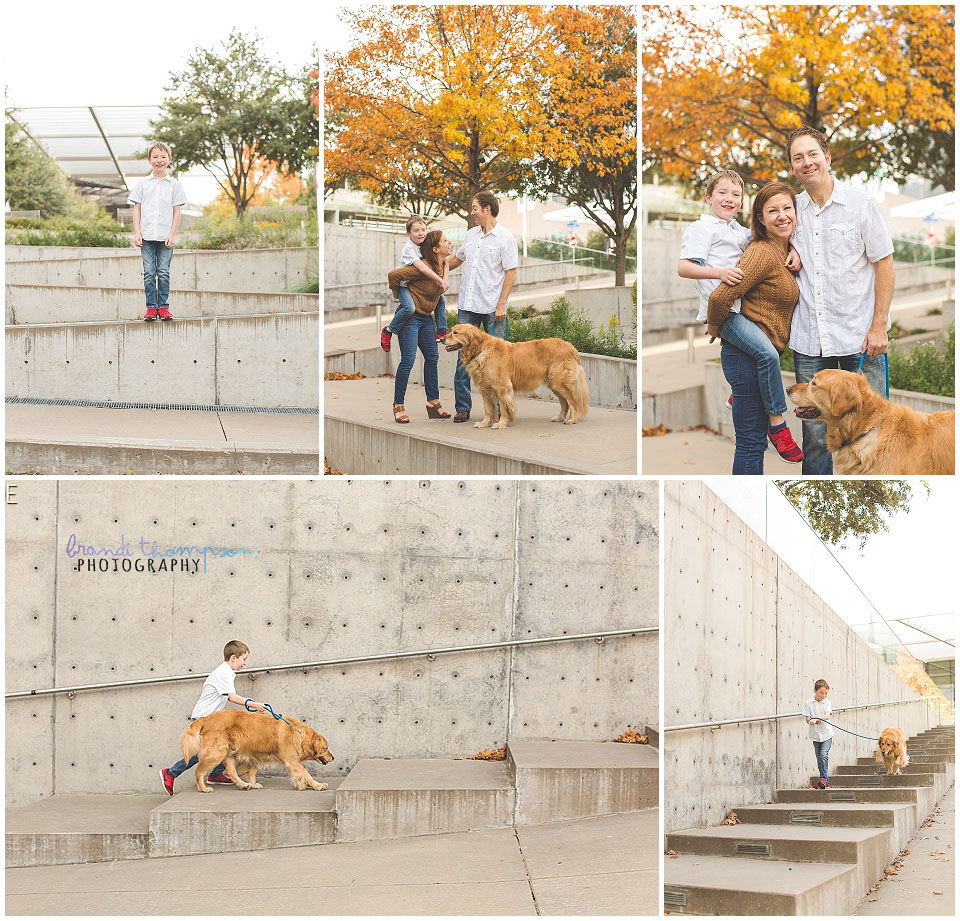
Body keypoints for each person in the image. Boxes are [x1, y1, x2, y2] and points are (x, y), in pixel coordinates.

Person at [786, 125, 895, 475]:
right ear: (792, 166)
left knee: (875, 433)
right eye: (797, 157)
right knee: (817, 439)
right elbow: (763, 246)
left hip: (861, 341)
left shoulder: (861, 204)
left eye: (812, 154)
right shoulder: (791, 212)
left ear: (827, 157)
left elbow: (884, 263)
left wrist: (879, 325)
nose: (806, 162)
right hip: (810, 345)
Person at [679, 169, 801, 414]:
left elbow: (770, 235)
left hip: (738, 309)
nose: (729, 198)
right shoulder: (701, 228)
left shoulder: (737, 230)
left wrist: (794, 249)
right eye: (722, 193)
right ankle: (778, 421)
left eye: (736, 194)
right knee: (768, 355)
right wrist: (719, 273)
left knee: (762, 353)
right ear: (707, 198)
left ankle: (738, 395)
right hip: (723, 310)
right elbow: (683, 267)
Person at [706, 181, 806, 472]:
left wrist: (795, 249)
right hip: (745, 358)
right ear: (760, 218)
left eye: (788, 208)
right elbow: (721, 296)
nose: (782, 215)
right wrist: (714, 326)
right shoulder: (762, 252)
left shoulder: (782, 251)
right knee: (751, 443)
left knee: (752, 443)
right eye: (772, 210)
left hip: (758, 360)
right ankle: (778, 426)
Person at [445, 192, 519, 423]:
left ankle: (498, 411)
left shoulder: (505, 238)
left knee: (497, 363)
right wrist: (432, 266)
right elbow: (456, 260)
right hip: (468, 305)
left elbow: (511, 272)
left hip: (491, 308)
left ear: (487, 209)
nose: (472, 212)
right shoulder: (470, 235)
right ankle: (463, 408)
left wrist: (501, 304)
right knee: (463, 361)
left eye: (475, 208)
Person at [159, 640, 266, 795]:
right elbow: (232, 697)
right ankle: (170, 773)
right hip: (203, 718)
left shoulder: (227, 672)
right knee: (202, 753)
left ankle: (216, 774)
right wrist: (253, 704)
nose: (245, 663)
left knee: (226, 745)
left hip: (212, 720)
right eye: (244, 659)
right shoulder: (223, 673)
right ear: (234, 658)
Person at [387, 230, 453, 423]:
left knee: (432, 358)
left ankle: (433, 403)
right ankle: (398, 405)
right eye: (445, 240)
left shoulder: (442, 265)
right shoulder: (421, 267)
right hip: (410, 319)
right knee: (408, 360)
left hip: (425, 319)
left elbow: (457, 260)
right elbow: (393, 275)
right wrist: (397, 295)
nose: (449, 242)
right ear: (435, 248)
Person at [128, 141, 186, 322]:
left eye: (163, 157)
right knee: (148, 273)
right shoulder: (142, 184)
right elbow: (136, 208)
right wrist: (137, 232)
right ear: (149, 160)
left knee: (163, 272)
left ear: (169, 159)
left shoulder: (174, 185)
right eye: (155, 157)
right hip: (146, 238)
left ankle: (163, 307)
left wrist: (172, 234)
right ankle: (151, 308)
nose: (159, 160)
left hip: (165, 238)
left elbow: (177, 211)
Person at [380, 216, 448, 352]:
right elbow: (422, 268)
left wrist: (444, 278)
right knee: (409, 308)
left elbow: (443, 262)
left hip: (413, 285)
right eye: (416, 231)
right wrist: (440, 280)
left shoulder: (425, 244)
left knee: (441, 299)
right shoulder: (409, 249)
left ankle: (441, 330)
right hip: (403, 285)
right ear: (408, 234)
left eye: (423, 229)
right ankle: (388, 330)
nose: (421, 233)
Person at [803, 678, 834, 789]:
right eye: (821, 693)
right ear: (815, 691)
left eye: (826, 693)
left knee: (823, 755)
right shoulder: (808, 703)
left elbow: (827, 715)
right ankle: (825, 780)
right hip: (815, 736)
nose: (823, 695)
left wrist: (818, 719)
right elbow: (807, 718)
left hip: (827, 735)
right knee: (819, 758)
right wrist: (810, 721)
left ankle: (823, 780)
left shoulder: (827, 702)